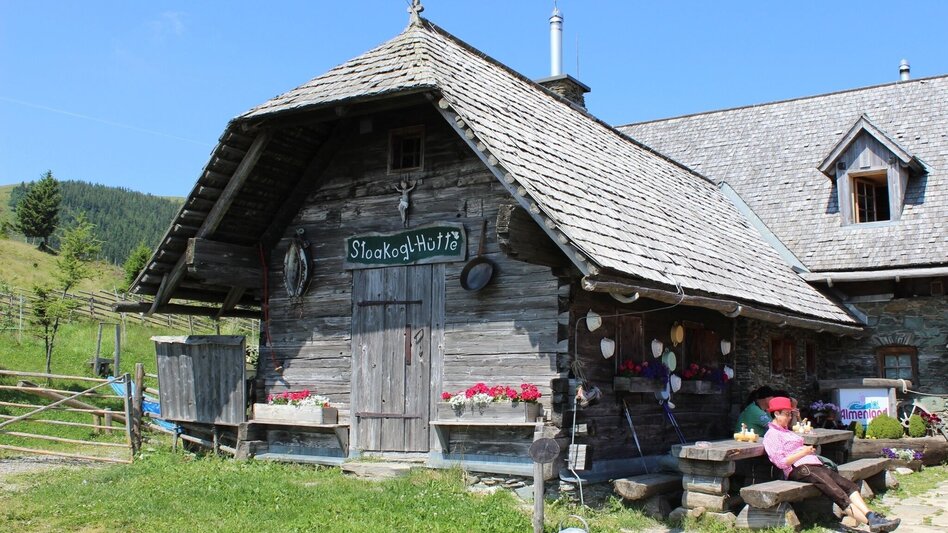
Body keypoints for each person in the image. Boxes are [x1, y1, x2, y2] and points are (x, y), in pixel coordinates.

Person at [763, 397, 900, 533]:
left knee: (848, 485)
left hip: (813, 465)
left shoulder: (786, 431)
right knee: (836, 491)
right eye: (786, 414)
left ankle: (871, 515)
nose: (789, 417)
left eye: (790, 414)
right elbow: (781, 463)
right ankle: (871, 522)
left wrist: (804, 440)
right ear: (776, 413)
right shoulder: (772, 435)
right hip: (799, 469)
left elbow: (807, 434)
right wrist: (804, 452)